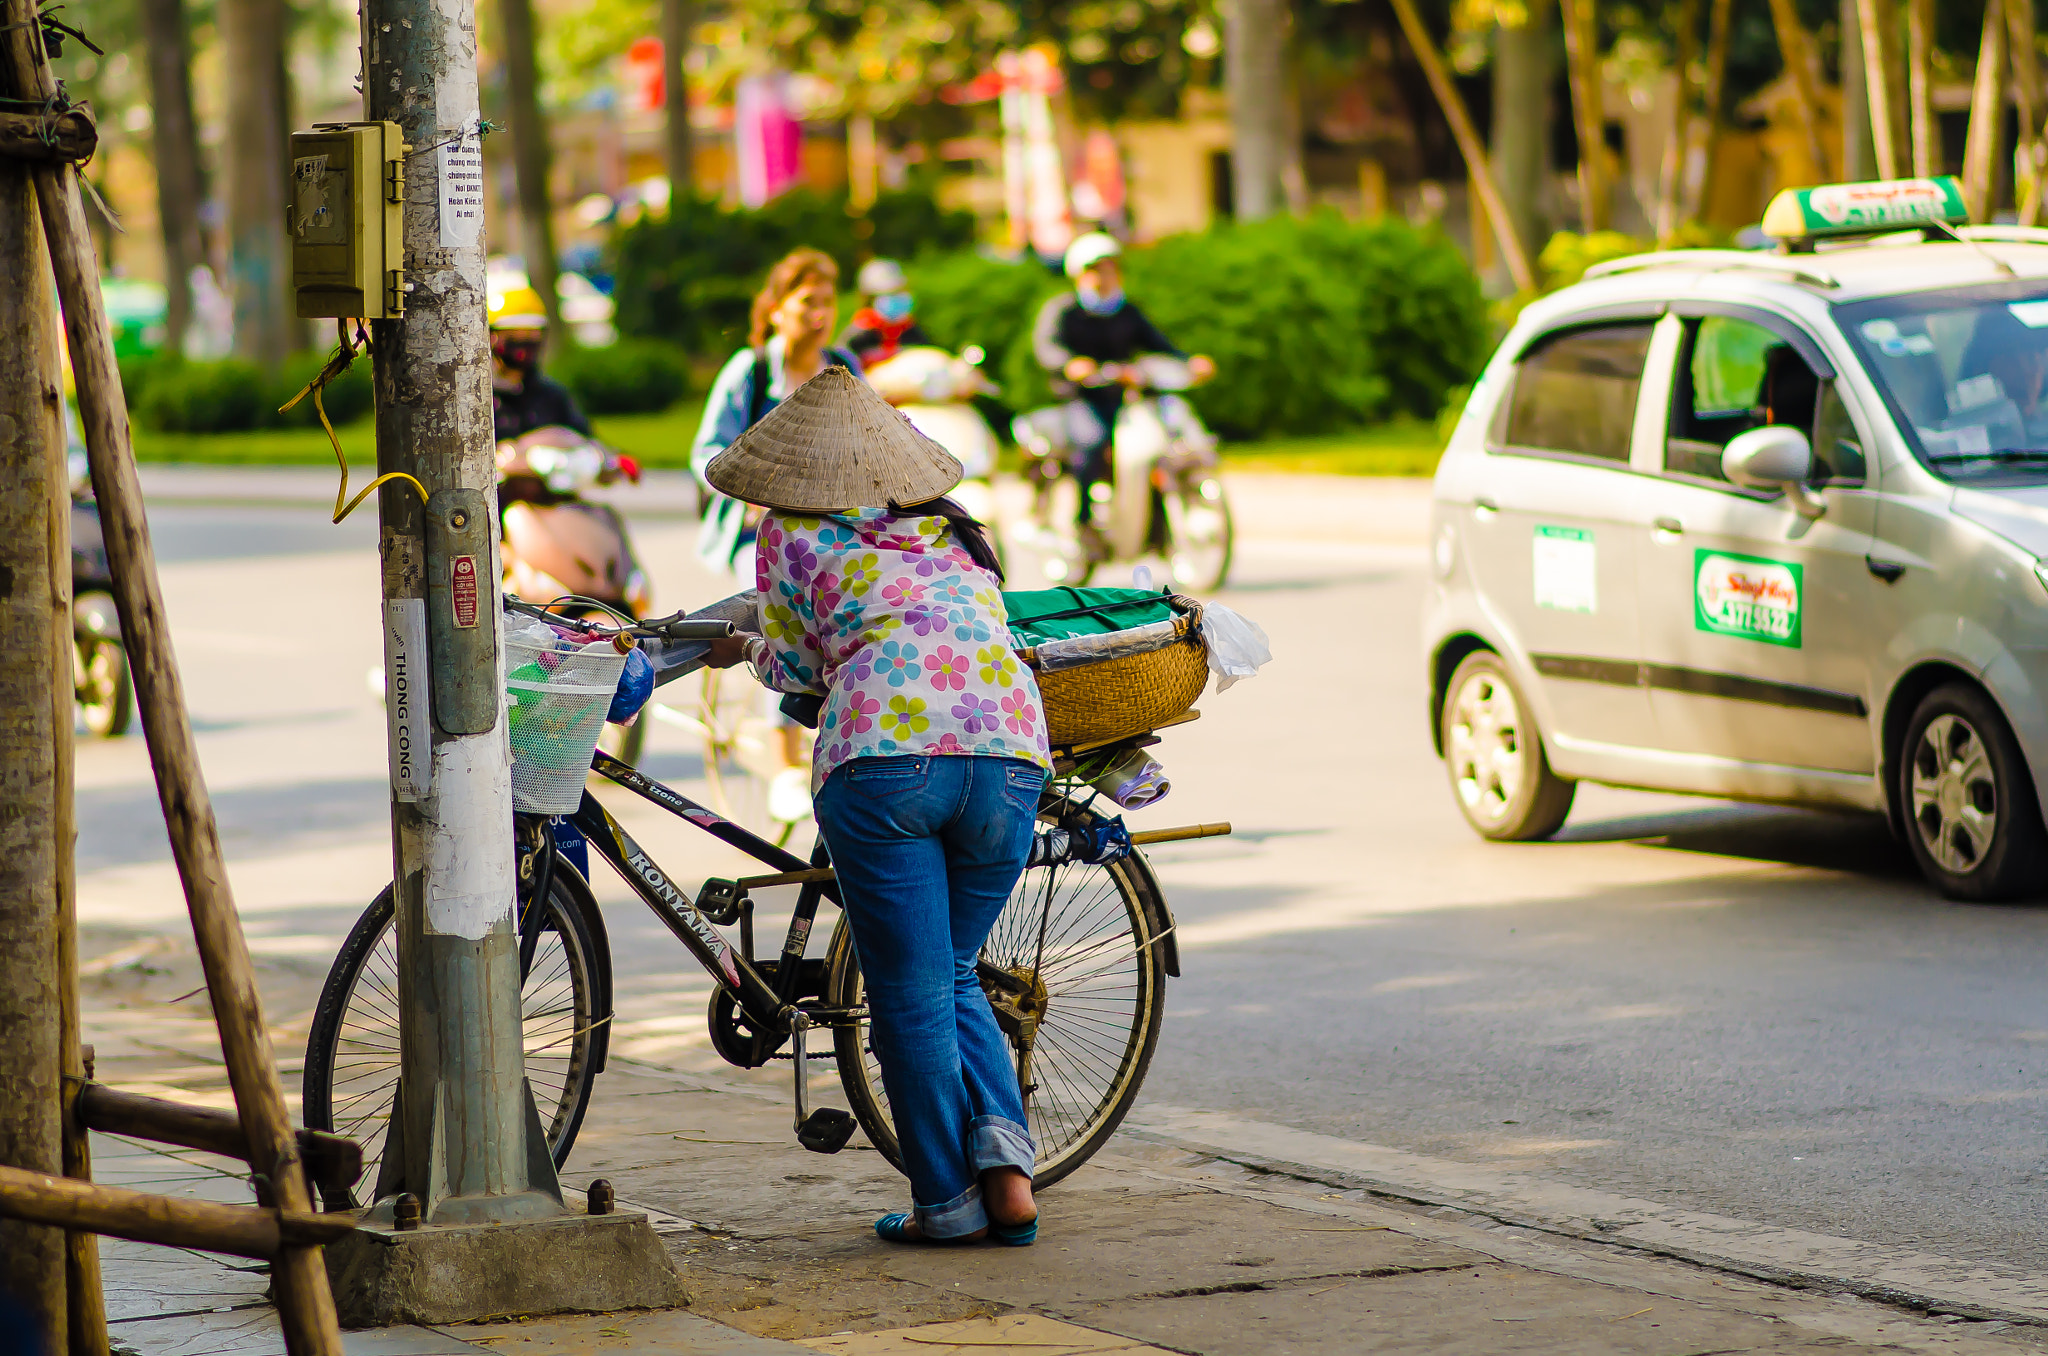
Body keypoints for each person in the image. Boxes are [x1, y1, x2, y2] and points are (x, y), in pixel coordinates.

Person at [702, 366, 1053, 1246]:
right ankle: (1009, 1176)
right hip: (1011, 754)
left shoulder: (789, 530)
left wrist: (743, 648)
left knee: (911, 994)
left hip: (884, 762)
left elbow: (791, 668)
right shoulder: (954, 527)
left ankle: (948, 1201)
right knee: (956, 968)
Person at [1030, 232, 1214, 543]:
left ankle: (1154, 524)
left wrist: (1188, 361)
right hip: (1083, 399)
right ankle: (1084, 522)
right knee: (1092, 442)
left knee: (1158, 444)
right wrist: (1071, 365)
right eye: (1095, 269)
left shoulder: (1126, 310)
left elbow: (1158, 343)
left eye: (1110, 268)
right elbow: (1046, 346)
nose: (1104, 276)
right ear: (1079, 274)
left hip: (1126, 398)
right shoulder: (1064, 310)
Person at [693, 248, 864, 576]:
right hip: (760, 533)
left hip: (837, 527)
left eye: (828, 302)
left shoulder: (844, 366)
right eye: (808, 301)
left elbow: (873, 441)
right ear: (776, 311)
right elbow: (708, 454)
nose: (820, 314)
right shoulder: (750, 369)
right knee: (772, 606)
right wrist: (750, 493)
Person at [490, 285, 592, 444]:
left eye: (532, 333)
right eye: (513, 334)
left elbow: (583, 440)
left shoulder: (552, 396)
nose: (524, 341)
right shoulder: (479, 399)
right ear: (491, 336)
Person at [837, 258, 934, 368]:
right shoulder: (856, 336)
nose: (896, 297)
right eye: (888, 293)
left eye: (899, 291)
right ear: (869, 299)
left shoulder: (912, 332)